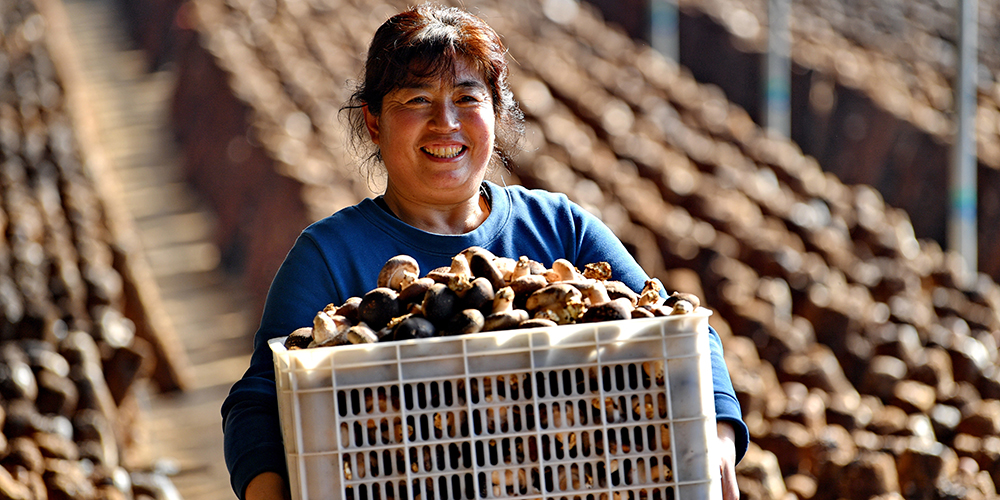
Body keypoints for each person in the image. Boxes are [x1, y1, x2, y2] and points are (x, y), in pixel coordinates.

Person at [221, 4, 749, 500]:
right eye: (416, 99)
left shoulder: (558, 227)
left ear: (496, 112)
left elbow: (684, 331)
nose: (445, 123)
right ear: (374, 122)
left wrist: (720, 434)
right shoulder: (330, 255)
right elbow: (259, 400)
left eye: (468, 99)